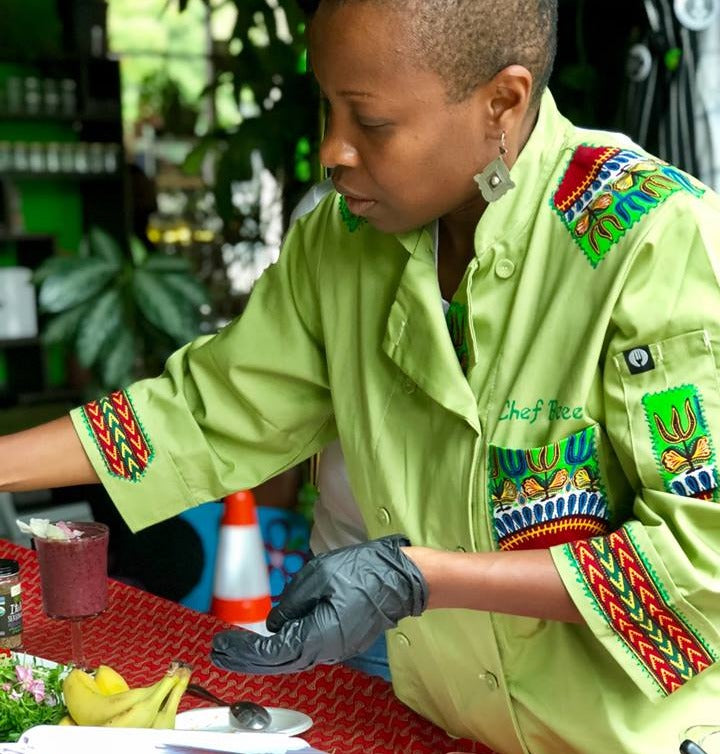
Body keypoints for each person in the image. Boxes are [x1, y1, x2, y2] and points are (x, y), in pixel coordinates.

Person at [3, 1, 720, 751]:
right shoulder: (342, 241)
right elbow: (206, 409)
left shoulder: (657, 239)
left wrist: (419, 578)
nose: (332, 152)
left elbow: (701, 559)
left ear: (502, 103)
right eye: (328, 109)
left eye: (371, 123)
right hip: (437, 720)